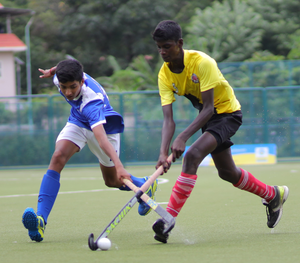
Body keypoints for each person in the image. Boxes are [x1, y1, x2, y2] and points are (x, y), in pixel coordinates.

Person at [151, 20, 289, 243]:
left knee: (192, 155)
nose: (162, 52)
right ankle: (273, 195)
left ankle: (168, 219)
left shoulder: (202, 62)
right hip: (209, 118)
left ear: (180, 43)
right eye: (159, 47)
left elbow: (208, 108)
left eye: (167, 46)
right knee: (227, 172)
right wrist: (162, 152)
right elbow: (168, 119)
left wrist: (183, 138)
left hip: (227, 113)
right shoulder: (164, 74)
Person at [22, 59, 157, 242]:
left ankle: (144, 185)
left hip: (104, 129)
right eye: (64, 87)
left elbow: (101, 139)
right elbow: (61, 70)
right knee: (58, 156)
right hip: (78, 121)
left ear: (82, 82)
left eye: (73, 87)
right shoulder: (60, 79)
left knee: (111, 181)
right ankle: (40, 221)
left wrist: (119, 166)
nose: (68, 92)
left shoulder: (91, 101)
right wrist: (53, 70)